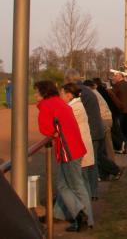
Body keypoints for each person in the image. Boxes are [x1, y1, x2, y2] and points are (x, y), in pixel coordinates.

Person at [35, 80, 92, 232]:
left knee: (72, 186)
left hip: (68, 150)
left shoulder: (48, 105)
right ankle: (61, 215)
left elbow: (46, 129)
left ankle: (83, 216)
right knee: (66, 184)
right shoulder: (59, 103)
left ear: (44, 93)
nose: (35, 95)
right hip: (74, 147)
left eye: (37, 92)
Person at [64, 69, 104, 201]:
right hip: (95, 129)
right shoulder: (86, 90)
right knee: (92, 163)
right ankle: (92, 192)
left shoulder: (79, 92)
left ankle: (90, 193)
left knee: (88, 166)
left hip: (90, 132)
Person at [59, 84, 96, 201]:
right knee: (79, 180)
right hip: (80, 146)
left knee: (80, 181)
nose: (60, 96)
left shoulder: (74, 108)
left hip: (78, 148)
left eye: (62, 94)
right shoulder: (75, 105)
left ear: (69, 95)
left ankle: (85, 207)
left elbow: (61, 124)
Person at [83, 80, 121, 182]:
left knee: (103, 151)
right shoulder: (95, 93)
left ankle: (114, 169)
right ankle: (108, 172)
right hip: (105, 119)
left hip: (103, 121)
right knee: (103, 149)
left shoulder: (90, 94)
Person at [110, 71, 127, 150]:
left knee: (121, 127)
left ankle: (123, 143)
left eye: (115, 76)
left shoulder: (117, 85)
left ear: (119, 77)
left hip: (121, 109)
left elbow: (113, 96)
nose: (114, 78)